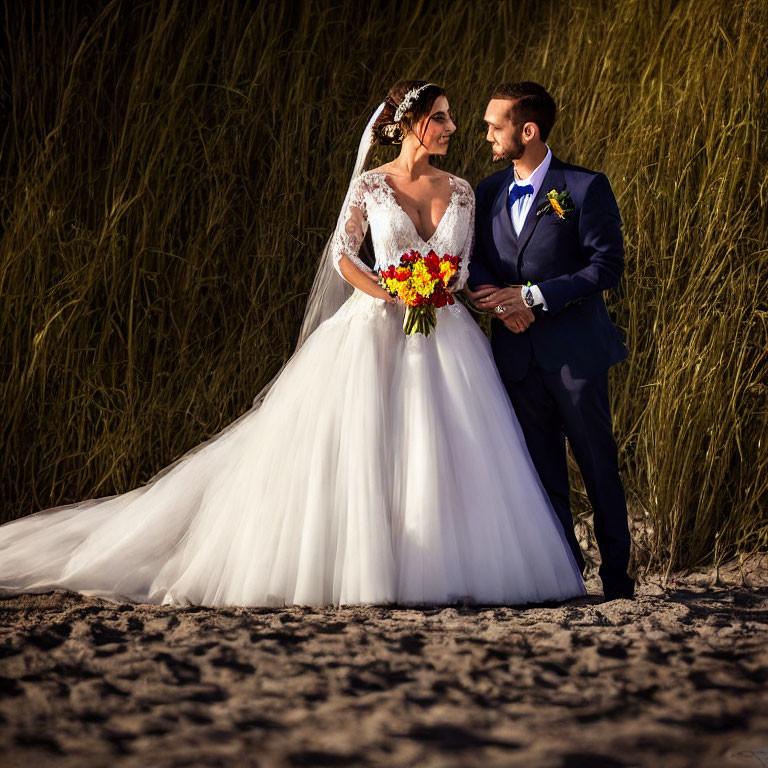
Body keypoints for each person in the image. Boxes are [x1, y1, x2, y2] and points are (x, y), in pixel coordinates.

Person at [0, 80, 586, 608]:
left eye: (454, 118)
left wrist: (439, 287)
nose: (454, 128)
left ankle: (447, 565)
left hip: (445, 333)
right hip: (378, 326)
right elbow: (343, 254)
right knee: (364, 447)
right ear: (410, 125)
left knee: (452, 450)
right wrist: (392, 291)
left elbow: (462, 267)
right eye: (442, 117)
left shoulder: (463, 190)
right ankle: (370, 566)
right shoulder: (370, 186)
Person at [466, 81, 635, 601]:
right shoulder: (488, 190)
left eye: (496, 127)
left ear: (528, 130)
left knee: (597, 462)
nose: (488, 136)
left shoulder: (584, 188)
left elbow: (606, 267)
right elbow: (474, 259)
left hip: (574, 355)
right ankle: (565, 574)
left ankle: (617, 580)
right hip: (516, 357)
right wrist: (488, 297)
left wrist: (535, 298)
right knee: (541, 472)